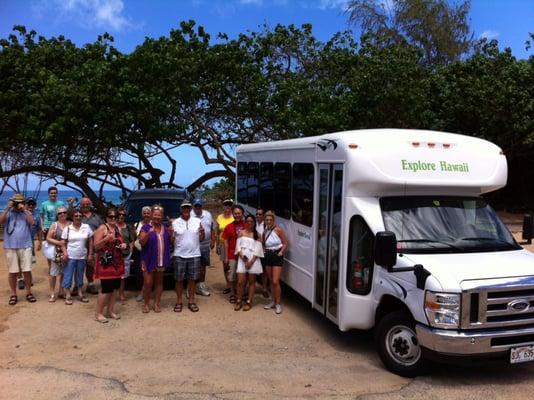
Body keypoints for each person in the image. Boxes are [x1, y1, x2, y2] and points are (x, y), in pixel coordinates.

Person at [1, 194, 36, 305]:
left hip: (25, 245)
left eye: (20, 202)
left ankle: (29, 293)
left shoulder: (26, 212)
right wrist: (7, 208)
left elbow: (32, 222)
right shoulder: (8, 213)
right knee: (13, 271)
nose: (17, 204)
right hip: (10, 246)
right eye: (16, 202)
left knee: (27, 270)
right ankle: (13, 294)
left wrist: (24, 210)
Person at [93, 208, 126, 323]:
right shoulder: (103, 228)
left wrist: (122, 245)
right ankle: (99, 313)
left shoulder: (117, 228)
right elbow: (96, 246)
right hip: (106, 263)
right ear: (106, 218)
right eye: (110, 217)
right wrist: (106, 238)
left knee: (115, 289)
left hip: (117, 262)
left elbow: (119, 242)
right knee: (106, 289)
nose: (113, 219)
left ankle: (111, 311)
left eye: (115, 217)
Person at [172, 199, 205, 312]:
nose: (186, 209)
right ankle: (179, 301)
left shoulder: (197, 221)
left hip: (194, 255)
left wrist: (202, 233)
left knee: (192, 280)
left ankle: (191, 301)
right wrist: (169, 233)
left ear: (191, 209)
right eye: (184, 208)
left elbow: (201, 239)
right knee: (179, 280)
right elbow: (172, 241)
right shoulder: (175, 222)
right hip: (179, 255)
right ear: (181, 209)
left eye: (188, 207)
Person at [138, 205, 172, 313]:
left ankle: (157, 303)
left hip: (161, 260)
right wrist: (148, 233)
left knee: (159, 282)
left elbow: (171, 242)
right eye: (155, 214)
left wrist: (172, 234)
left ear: (162, 216)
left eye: (159, 215)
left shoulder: (165, 229)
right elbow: (141, 242)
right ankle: (146, 304)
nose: (157, 217)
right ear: (152, 215)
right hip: (148, 260)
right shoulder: (146, 227)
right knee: (148, 283)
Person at [61, 208, 94, 305]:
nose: (78, 217)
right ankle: (67, 295)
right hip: (70, 256)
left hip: (82, 256)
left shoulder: (86, 227)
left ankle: (80, 293)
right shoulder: (67, 228)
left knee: (80, 275)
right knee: (68, 275)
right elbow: (63, 243)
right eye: (76, 216)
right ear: (72, 217)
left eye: (80, 216)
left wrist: (90, 253)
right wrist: (65, 253)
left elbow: (90, 241)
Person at [234, 214, 264, 311]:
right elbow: (238, 247)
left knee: (252, 282)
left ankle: (249, 301)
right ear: (245, 222)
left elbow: (258, 250)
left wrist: (251, 262)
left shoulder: (258, 235)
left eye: (251, 221)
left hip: (253, 261)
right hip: (243, 260)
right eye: (248, 221)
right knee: (240, 282)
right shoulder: (241, 233)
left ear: (254, 223)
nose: (249, 223)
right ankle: (239, 300)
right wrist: (243, 258)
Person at [262, 211, 289, 314]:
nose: (268, 221)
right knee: (270, 280)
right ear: (265, 221)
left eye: (270, 220)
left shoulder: (278, 230)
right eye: (267, 220)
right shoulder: (265, 232)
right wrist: (264, 250)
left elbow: (286, 242)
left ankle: (278, 303)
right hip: (268, 255)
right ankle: (273, 301)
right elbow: (264, 244)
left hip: (277, 255)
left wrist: (281, 252)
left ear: (273, 220)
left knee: (275, 281)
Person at [222, 204, 247, 304]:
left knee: (243, 275)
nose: (237, 215)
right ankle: (233, 293)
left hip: (244, 255)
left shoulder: (247, 225)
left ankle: (241, 292)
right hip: (232, 254)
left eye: (239, 213)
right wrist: (226, 257)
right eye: (235, 213)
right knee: (232, 275)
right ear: (232, 214)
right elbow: (226, 242)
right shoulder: (229, 227)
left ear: (242, 214)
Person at [40, 187, 65, 278]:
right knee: (49, 248)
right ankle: (50, 266)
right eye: (51, 193)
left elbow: (64, 215)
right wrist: (42, 226)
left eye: (55, 193)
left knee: (60, 247)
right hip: (47, 228)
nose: (53, 194)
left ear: (57, 194)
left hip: (58, 227)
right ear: (48, 194)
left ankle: (60, 265)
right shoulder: (44, 204)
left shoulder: (61, 203)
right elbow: (41, 216)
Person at [79, 197, 103, 295]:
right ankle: (78, 285)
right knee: (78, 267)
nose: (85, 206)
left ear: (90, 205)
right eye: (83, 204)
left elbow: (102, 229)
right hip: (79, 246)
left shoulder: (96, 217)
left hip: (92, 247)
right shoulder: (77, 216)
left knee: (90, 266)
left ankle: (90, 284)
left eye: (87, 204)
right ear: (80, 205)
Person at [45, 206, 69, 302]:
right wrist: (59, 243)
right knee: (53, 273)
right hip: (57, 252)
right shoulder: (54, 225)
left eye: (64, 212)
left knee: (64, 272)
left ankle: (61, 290)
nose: (62, 214)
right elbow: (48, 238)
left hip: (67, 252)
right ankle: (52, 293)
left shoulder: (70, 224)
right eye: (60, 213)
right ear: (57, 215)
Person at [193, 198, 215, 297]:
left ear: (202, 206)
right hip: (193, 246)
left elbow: (212, 228)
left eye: (199, 206)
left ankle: (201, 285)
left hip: (205, 245)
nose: (197, 208)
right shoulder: (190, 215)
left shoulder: (208, 214)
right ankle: (192, 288)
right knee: (193, 267)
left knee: (203, 266)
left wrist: (213, 240)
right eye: (196, 206)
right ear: (193, 206)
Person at [116, 207, 135, 304]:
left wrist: (130, 252)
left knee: (123, 276)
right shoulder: (112, 226)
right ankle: (111, 295)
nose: (121, 216)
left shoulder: (128, 227)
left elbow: (132, 241)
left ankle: (121, 293)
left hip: (126, 254)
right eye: (119, 214)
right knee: (113, 275)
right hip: (114, 255)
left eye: (123, 215)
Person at [215, 199, 234, 296]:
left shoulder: (234, 217)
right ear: (223, 206)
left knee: (233, 265)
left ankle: (234, 285)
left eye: (229, 205)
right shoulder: (219, 217)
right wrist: (217, 245)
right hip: (223, 244)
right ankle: (228, 285)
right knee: (226, 266)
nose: (227, 206)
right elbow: (217, 232)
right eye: (226, 205)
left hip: (233, 245)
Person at [133, 206, 152, 302]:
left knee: (149, 272)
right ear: (142, 214)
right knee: (140, 272)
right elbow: (134, 238)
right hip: (139, 251)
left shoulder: (154, 225)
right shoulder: (137, 224)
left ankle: (145, 291)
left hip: (150, 251)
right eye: (144, 213)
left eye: (148, 213)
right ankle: (142, 291)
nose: (146, 215)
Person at [255, 207, 269, 298]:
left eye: (260, 214)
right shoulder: (252, 224)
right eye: (257, 214)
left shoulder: (266, 226)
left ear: (263, 216)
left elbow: (267, 240)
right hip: (254, 250)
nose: (258, 216)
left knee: (264, 271)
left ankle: (264, 289)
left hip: (263, 251)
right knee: (253, 270)